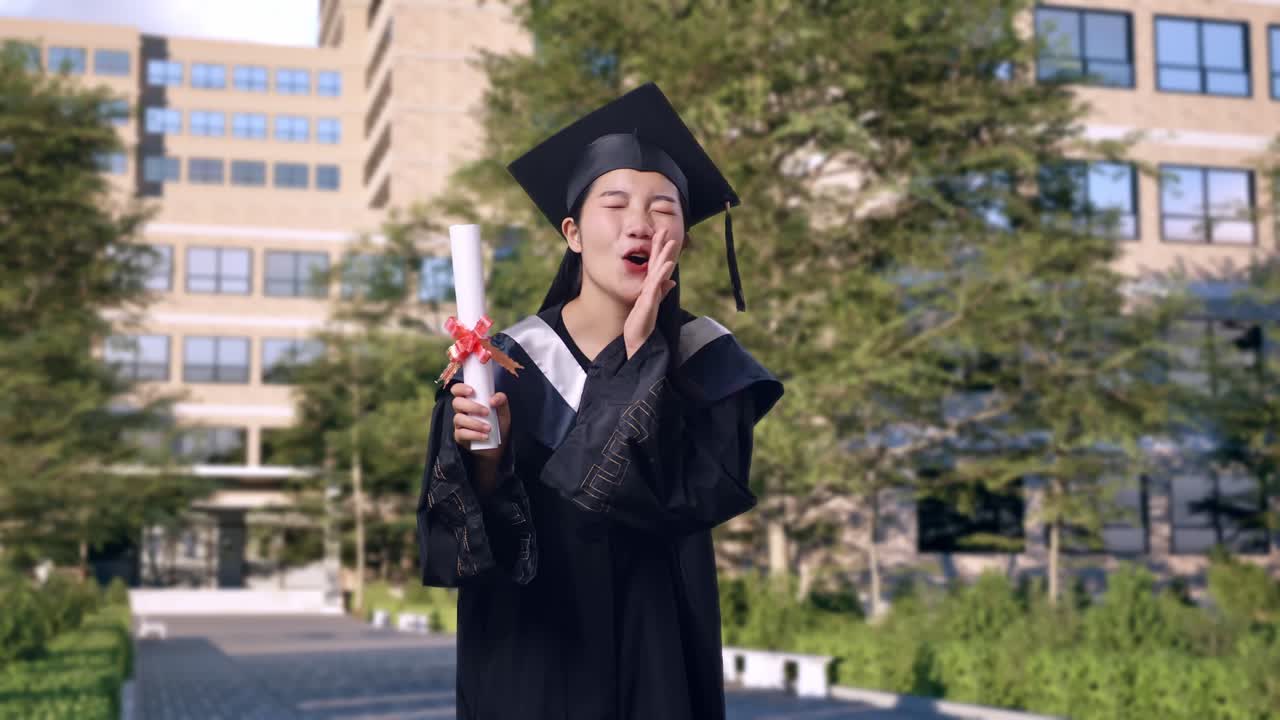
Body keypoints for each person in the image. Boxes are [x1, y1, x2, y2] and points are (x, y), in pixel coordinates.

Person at [416, 82, 783, 720]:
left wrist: (640, 359)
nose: (640, 222)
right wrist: (485, 460)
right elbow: (463, 545)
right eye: (615, 203)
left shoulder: (711, 365)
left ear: (682, 239)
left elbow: (688, 501)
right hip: (533, 654)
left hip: (658, 653)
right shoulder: (502, 364)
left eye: (663, 207)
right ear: (574, 233)